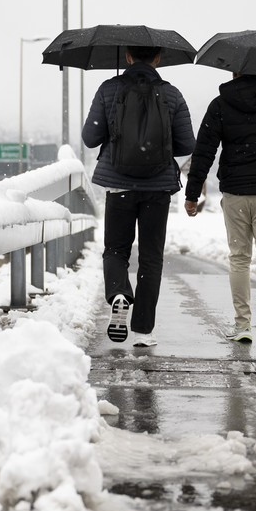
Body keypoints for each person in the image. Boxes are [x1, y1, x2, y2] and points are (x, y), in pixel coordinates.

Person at [82, 46, 195, 347]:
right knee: (151, 257)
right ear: (158, 58)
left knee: (116, 250)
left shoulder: (109, 89)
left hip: (118, 184)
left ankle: (119, 292)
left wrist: (117, 131)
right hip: (157, 188)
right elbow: (187, 144)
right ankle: (144, 330)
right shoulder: (171, 94)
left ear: (128, 57)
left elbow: (90, 137)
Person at [183, 73, 256, 347]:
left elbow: (204, 151)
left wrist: (192, 193)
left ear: (235, 72)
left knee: (239, 258)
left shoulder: (220, 105)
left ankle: (243, 325)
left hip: (236, 193)